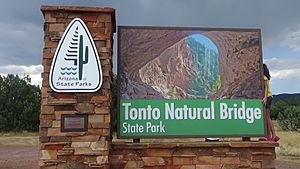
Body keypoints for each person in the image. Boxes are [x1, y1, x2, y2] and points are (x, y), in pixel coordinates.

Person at [260, 64, 280, 142]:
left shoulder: (264, 77)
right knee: (266, 117)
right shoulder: (266, 77)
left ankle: (274, 135)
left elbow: (266, 88)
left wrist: (265, 98)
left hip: (267, 97)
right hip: (269, 97)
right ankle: (268, 136)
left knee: (267, 117)